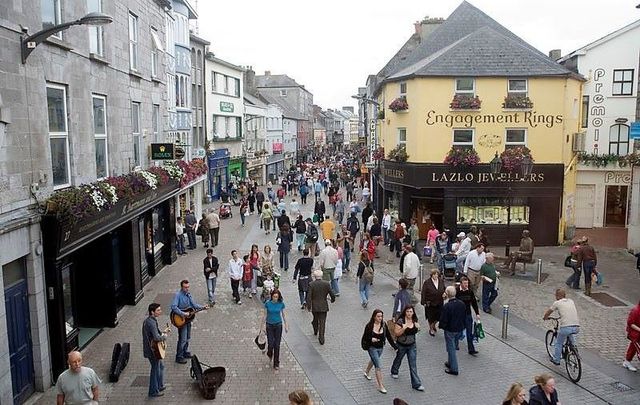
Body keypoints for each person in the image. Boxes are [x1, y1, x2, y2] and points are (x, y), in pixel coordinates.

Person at [361, 309, 398, 394]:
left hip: (380, 348)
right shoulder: (369, 326)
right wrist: (371, 339)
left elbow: (388, 336)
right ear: (374, 317)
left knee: (374, 360)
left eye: (381, 316)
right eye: (378, 316)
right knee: (378, 365)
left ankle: (366, 372)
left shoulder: (384, 325)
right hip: (372, 348)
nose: (380, 318)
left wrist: (395, 347)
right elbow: (365, 338)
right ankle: (380, 386)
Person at [171, 280, 207, 364]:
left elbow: (194, 305)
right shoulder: (178, 295)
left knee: (187, 337)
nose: (187, 289)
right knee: (182, 339)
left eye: (188, 287)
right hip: (181, 320)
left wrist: (203, 307)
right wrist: (183, 313)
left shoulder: (188, 295)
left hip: (188, 320)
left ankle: (185, 352)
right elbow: (173, 307)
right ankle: (179, 356)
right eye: (185, 287)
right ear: (181, 287)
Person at [390, 305, 425, 392]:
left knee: (413, 364)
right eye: (407, 311)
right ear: (405, 312)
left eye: (411, 312)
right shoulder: (401, 321)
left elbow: (416, 332)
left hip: (412, 345)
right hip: (402, 345)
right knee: (398, 359)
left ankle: (416, 384)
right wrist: (403, 328)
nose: (409, 313)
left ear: (413, 313)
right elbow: (396, 333)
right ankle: (394, 371)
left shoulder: (414, 320)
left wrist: (418, 328)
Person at [543, 288, 580, 366]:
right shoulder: (571, 301)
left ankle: (556, 360)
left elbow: (549, 311)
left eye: (556, 295)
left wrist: (545, 317)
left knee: (558, 343)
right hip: (576, 327)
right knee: (570, 333)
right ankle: (574, 348)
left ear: (557, 296)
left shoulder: (557, 303)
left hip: (566, 327)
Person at [142, 303, 168, 398]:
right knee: (155, 369)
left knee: (160, 366)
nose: (160, 312)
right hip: (153, 351)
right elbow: (156, 337)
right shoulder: (151, 323)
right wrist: (164, 337)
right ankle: (153, 391)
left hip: (151, 349)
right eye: (158, 310)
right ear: (152, 312)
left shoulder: (150, 321)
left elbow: (156, 332)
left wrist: (163, 332)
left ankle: (159, 385)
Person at [439, 286, 466, 376]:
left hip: (450, 329)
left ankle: (454, 368)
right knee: (453, 347)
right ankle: (450, 362)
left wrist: (442, 326)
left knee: (451, 348)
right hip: (459, 328)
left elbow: (444, 318)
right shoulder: (461, 304)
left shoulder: (447, 306)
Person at [307, 269, 336, 345]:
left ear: (315, 276)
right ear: (321, 276)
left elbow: (309, 296)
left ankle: (315, 329)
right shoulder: (326, 284)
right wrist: (333, 299)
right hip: (323, 305)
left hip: (315, 306)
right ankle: (321, 338)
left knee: (315, 319)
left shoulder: (311, 284)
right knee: (322, 322)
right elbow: (331, 293)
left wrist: (309, 306)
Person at [261, 289, 288, 370]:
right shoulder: (267, 304)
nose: (275, 298)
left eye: (277, 297)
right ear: (271, 296)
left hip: (278, 325)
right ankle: (269, 353)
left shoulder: (281, 304)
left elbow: (284, 315)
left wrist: (286, 325)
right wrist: (262, 327)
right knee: (270, 344)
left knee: (277, 345)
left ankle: (276, 363)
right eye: (274, 297)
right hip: (269, 325)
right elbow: (265, 315)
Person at [456, 276, 480, 355]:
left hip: (467, 314)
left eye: (467, 283)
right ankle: (455, 344)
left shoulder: (470, 292)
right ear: (461, 284)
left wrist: (477, 313)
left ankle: (471, 349)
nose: (466, 285)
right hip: (459, 315)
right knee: (457, 330)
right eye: (465, 283)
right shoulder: (457, 291)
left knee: (469, 332)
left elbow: (474, 303)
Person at [421, 269, 446, 336]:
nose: (436, 276)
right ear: (431, 275)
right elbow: (423, 293)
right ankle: (431, 328)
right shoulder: (427, 282)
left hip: (440, 302)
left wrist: (445, 294)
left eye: (437, 274)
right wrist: (423, 302)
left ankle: (433, 325)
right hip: (430, 303)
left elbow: (444, 289)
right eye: (434, 274)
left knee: (439, 316)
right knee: (431, 317)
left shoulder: (441, 281)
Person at [623, 299, 640, 371]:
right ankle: (627, 362)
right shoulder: (635, 311)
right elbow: (630, 323)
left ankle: (627, 361)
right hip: (634, 334)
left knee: (633, 348)